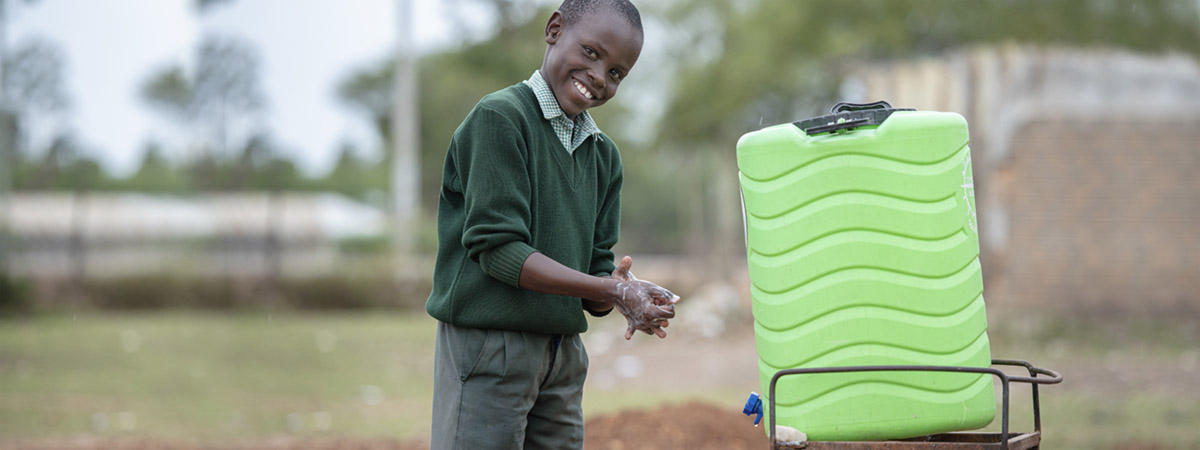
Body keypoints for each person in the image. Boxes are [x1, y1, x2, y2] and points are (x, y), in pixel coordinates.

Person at [425, 0, 679, 448]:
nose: (599, 77)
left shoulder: (604, 156)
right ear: (554, 29)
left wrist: (624, 291)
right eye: (592, 53)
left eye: (617, 73)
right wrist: (608, 289)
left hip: (561, 355)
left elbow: (595, 275)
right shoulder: (501, 119)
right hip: (490, 346)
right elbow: (499, 250)